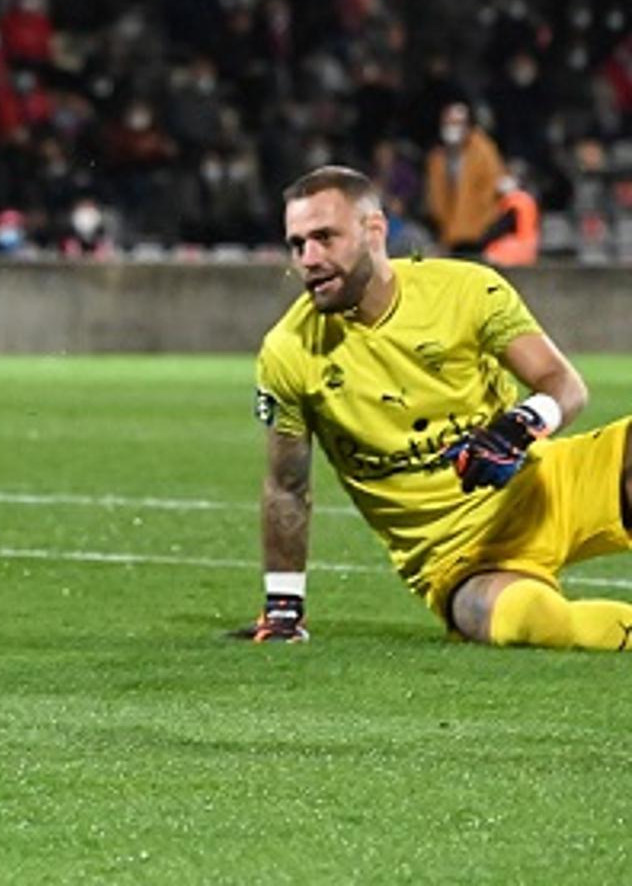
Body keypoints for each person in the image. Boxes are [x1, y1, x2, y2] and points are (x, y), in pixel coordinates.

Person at [241, 165, 632, 650]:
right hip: (460, 562)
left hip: (550, 487)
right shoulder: (287, 352)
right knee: (536, 623)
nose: (309, 259)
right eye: (297, 245)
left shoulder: (464, 290)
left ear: (374, 231)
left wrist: (517, 428)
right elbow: (286, 486)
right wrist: (283, 610)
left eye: (324, 237)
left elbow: (563, 384)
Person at [423, 101, 503, 255]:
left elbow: (490, 193)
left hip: (480, 235)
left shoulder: (484, 152)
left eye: (457, 123)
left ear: (468, 126)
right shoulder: (437, 158)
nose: (451, 128)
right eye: (447, 123)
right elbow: (435, 200)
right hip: (448, 235)